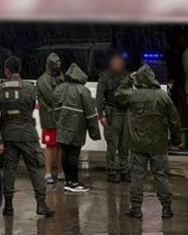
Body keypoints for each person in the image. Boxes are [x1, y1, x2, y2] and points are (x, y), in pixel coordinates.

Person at [115, 63, 183, 219]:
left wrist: (127, 80)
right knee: (161, 176)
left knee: (137, 176)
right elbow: (174, 121)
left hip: (137, 144)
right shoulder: (162, 96)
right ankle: (166, 208)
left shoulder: (133, 95)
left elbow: (118, 94)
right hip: (158, 144)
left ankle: (136, 209)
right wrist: (175, 140)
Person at [0, 56, 54, 218]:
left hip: (7, 133)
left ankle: (8, 206)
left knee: (9, 169)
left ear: (7, 70)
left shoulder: (0, 88)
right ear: (19, 69)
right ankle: (41, 204)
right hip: (27, 133)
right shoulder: (29, 87)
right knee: (36, 167)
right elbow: (29, 106)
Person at [52, 63, 101, 193]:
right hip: (77, 128)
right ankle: (74, 182)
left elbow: (55, 109)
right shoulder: (83, 91)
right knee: (74, 154)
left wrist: (58, 122)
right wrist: (95, 132)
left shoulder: (59, 89)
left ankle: (68, 181)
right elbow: (90, 114)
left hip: (62, 127)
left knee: (65, 153)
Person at [95, 51, 132, 183]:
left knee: (125, 144)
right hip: (112, 113)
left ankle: (124, 170)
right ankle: (111, 170)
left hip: (125, 113)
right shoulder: (105, 77)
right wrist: (101, 115)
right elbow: (99, 98)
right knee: (112, 144)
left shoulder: (127, 76)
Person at [36, 52, 64, 186]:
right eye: (56, 63)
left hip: (60, 118)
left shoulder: (60, 78)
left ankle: (60, 171)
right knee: (50, 146)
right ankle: (47, 172)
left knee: (59, 145)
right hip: (49, 118)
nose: (59, 66)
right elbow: (53, 98)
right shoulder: (43, 80)